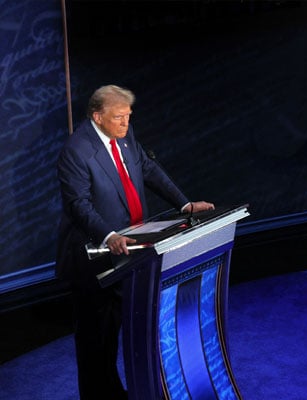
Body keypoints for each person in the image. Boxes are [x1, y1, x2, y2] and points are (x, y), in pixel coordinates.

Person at [56, 84, 215, 399]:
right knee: (97, 345)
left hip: (132, 256)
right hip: (95, 261)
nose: (125, 124)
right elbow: (79, 205)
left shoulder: (125, 136)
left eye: (128, 116)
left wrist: (185, 204)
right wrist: (109, 235)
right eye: (119, 117)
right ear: (97, 116)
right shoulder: (76, 151)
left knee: (132, 331)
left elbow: (149, 169)